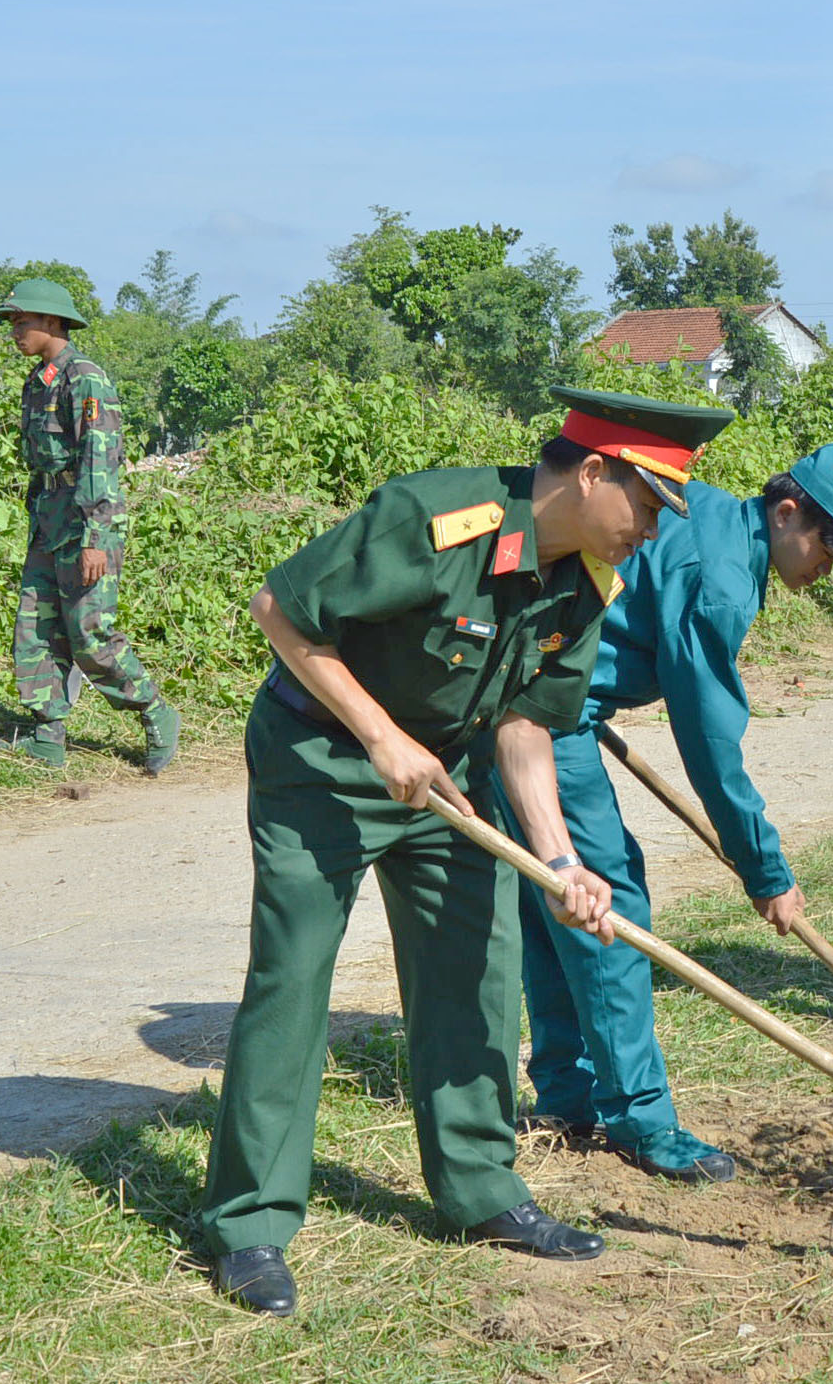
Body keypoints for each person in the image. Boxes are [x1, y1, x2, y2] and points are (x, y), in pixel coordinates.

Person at [199, 388, 732, 1318]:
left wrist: (560, 861)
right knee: (293, 979)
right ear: (594, 473)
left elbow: (525, 724)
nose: (651, 530)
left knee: (476, 970)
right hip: (322, 762)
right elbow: (279, 609)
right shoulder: (439, 518)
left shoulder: (585, 583)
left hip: (445, 775)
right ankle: (250, 1223)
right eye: (648, 506)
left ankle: (481, 1191)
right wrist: (380, 738)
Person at [499, 444, 833, 1182]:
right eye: (832, 545)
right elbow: (710, 744)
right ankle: (642, 1122)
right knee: (605, 902)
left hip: (532, 695)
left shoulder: (712, 517)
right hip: (541, 718)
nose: (831, 566)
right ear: (787, 513)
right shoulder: (721, 580)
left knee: (556, 901)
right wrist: (764, 869)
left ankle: (567, 1095)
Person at [0, 278, 178, 773]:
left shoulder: (85, 379)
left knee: (89, 635)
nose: (15, 331)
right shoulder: (39, 381)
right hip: (49, 522)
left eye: (22, 321)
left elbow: (100, 463)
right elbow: (41, 465)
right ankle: (47, 735)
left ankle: (155, 711)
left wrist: (96, 538)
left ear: (52, 322)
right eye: (13, 322)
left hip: (86, 525)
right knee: (36, 628)